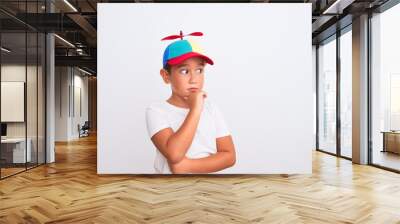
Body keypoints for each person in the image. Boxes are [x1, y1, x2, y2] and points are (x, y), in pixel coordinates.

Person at [145, 31, 236, 174]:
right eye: (184, 71)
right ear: (166, 76)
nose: (194, 79)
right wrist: (195, 109)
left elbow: (229, 156)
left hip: (207, 189)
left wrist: (187, 166)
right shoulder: (156, 110)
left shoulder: (211, 108)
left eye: (199, 70)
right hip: (170, 190)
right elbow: (174, 154)